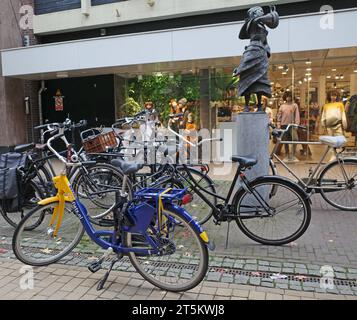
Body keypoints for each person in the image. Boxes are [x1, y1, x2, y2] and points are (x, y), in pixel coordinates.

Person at [233, 6, 279, 112]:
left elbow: (272, 22)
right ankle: (246, 105)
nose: (262, 13)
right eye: (260, 11)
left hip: (261, 53)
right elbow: (269, 19)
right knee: (247, 80)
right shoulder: (254, 21)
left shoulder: (261, 23)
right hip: (253, 50)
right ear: (254, 14)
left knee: (259, 81)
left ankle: (259, 105)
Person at [276, 91, 300, 162]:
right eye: (287, 96)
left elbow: (297, 115)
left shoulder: (295, 105)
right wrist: (278, 124)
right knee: (285, 140)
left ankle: (292, 154)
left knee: (295, 139)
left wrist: (296, 124)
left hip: (292, 125)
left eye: (289, 96)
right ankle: (287, 155)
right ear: (285, 97)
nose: (288, 98)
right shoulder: (282, 106)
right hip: (284, 125)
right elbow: (279, 116)